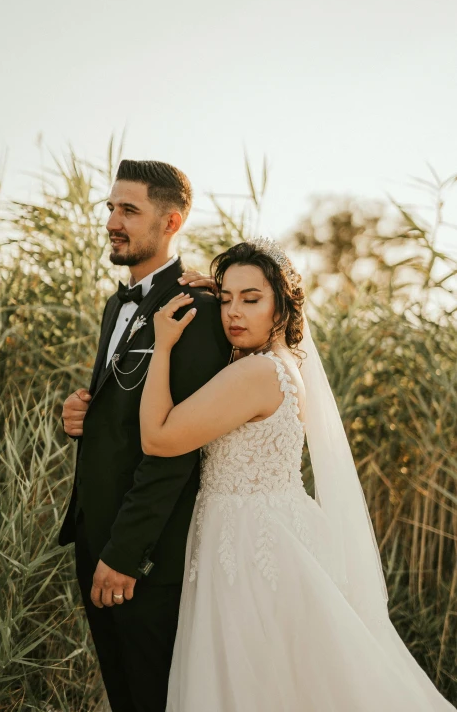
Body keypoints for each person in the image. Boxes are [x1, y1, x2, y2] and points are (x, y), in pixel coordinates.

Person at [139, 238, 456, 712]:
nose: (233, 313)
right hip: (274, 531)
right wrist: (217, 293)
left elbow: (158, 440)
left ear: (282, 309)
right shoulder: (280, 365)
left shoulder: (255, 374)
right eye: (226, 299)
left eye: (251, 299)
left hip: (248, 549)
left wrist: (162, 346)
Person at [58, 159, 231, 712]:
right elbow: (127, 409)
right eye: (110, 208)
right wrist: (81, 412)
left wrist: (127, 554)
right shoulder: (118, 304)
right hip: (95, 538)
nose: (113, 220)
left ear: (171, 221)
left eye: (129, 210)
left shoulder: (198, 310)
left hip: (142, 559)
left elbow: (175, 451)